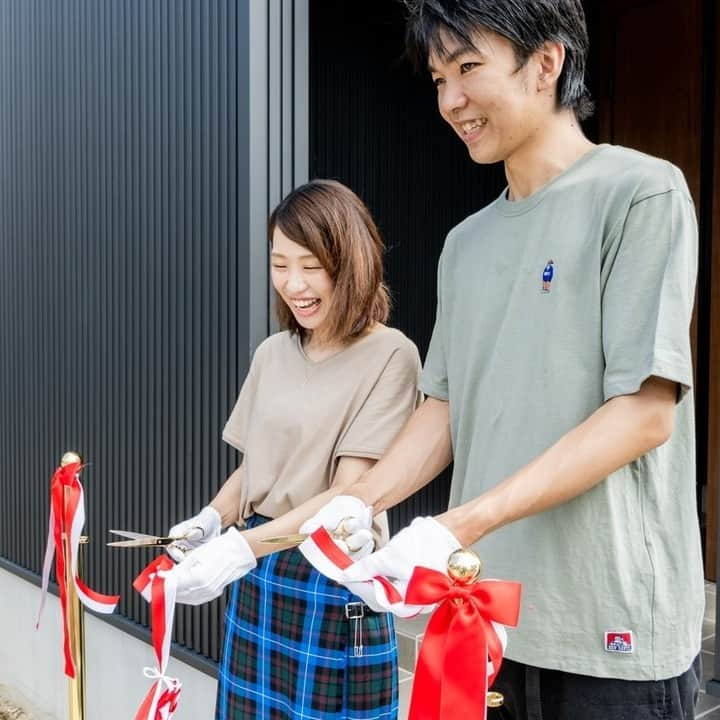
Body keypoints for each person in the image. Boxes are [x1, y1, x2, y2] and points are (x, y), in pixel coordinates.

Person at [302, 2, 704, 718]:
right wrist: (356, 509)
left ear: (546, 63)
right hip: (480, 614)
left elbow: (644, 415)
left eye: (467, 68)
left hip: (606, 629)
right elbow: (445, 410)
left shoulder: (639, 192)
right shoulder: (466, 242)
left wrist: (456, 524)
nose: (450, 100)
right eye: (436, 78)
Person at [163, 179, 422, 720]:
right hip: (259, 573)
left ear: (350, 262)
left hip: (330, 575)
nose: (294, 283)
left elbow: (350, 493)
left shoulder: (391, 355)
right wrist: (210, 520)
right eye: (281, 264)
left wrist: (239, 548)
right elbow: (254, 468)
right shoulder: (273, 353)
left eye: (311, 265)